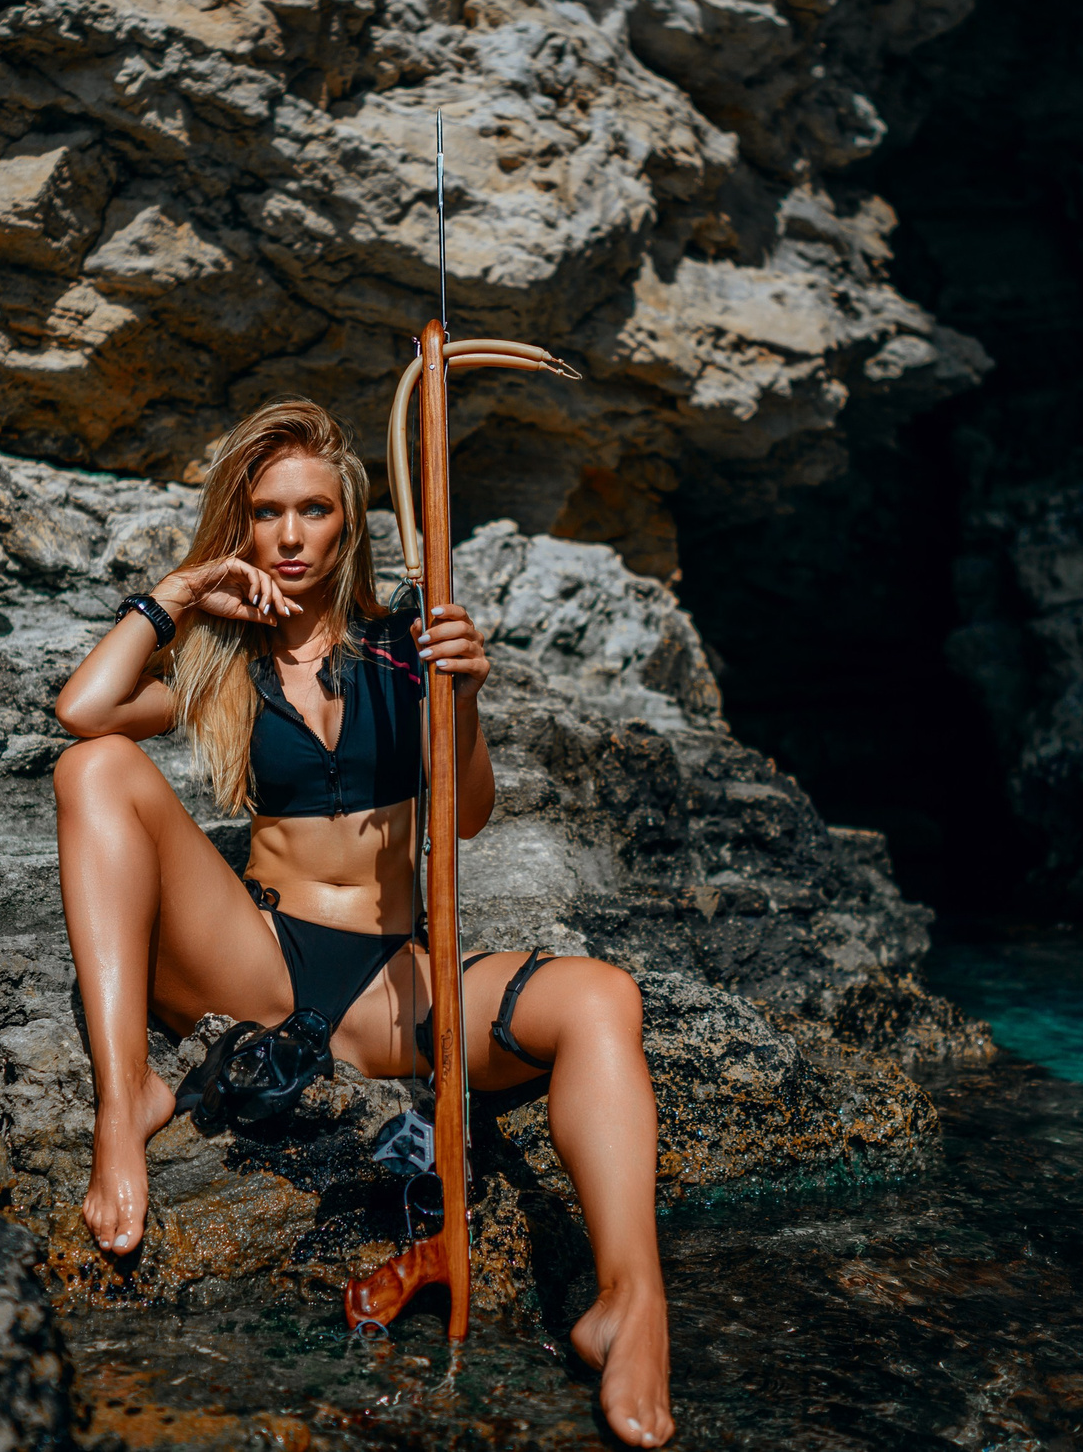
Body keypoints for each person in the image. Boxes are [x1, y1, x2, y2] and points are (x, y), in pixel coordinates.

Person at [51, 397, 676, 1447]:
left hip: (395, 986)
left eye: (313, 512)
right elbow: (86, 709)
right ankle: (130, 1100)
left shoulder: (407, 646)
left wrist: (463, 696)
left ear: (350, 526)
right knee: (94, 768)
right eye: (265, 514)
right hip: (260, 960)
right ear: (243, 525)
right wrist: (178, 592)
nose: (289, 537)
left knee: (603, 997)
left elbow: (466, 815)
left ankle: (629, 1301)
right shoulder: (224, 664)